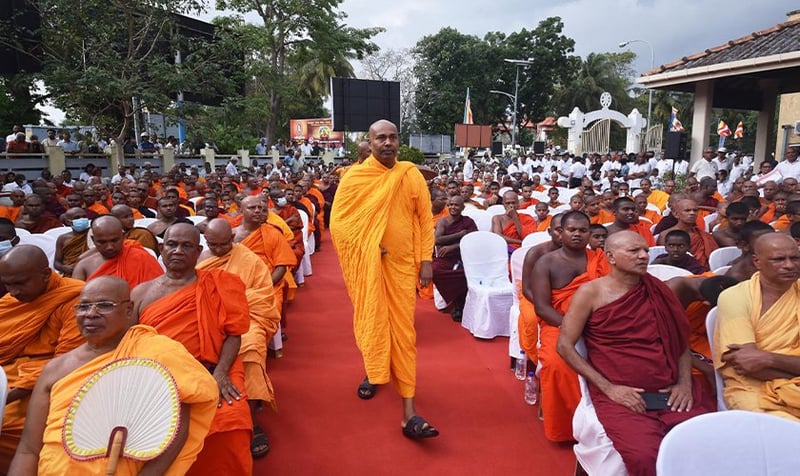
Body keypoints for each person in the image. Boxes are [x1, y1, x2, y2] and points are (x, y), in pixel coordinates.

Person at [8, 276, 218, 475]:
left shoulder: (156, 353)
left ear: (128, 310)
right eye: (83, 306)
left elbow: (178, 426)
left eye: (105, 305)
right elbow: (29, 449)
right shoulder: (56, 368)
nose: (91, 313)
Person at [557, 231, 715, 475]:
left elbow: (680, 341)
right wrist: (609, 388)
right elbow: (564, 346)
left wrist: (684, 383)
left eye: (645, 251)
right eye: (634, 251)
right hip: (620, 392)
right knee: (644, 456)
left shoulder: (659, 291)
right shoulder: (591, 293)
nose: (643, 256)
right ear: (610, 257)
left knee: (702, 442)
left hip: (671, 388)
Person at [329, 119, 438, 439]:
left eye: (392, 137)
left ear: (398, 141)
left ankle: (409, 413)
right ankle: (373, 370)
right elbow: (339, 225)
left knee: (404, 333)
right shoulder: (355, 178)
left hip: (404, 265)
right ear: (369, 142)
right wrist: (368, 246)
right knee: (372, 320)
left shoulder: (410, 174)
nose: (387, 143)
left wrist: (426, 260)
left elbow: (424, 218)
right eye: (381, 138)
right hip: (370, 266)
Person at [133, 223, 252, 474]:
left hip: (214, 368)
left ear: (198, 252)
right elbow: (129, 341)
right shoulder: (140, 293)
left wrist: (220, 373)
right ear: (162, 249)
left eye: (186, 246)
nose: (177, 251)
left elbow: (234, 334)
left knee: (232, 421)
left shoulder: (220, 283)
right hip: (157, 378)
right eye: (171, 245)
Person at [198, 219, 281, 459]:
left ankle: (252, 421)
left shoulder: (249, 260)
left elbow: (264, 295)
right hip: (210, 320)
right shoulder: (201, 259)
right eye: (214, 245)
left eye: (224, 245)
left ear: (232, 239)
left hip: (246, 318)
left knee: (251, 347)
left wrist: (231, 304)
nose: (219, 250)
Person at [0, 246, 85, 469]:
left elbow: (68, 361)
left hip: (46, 383)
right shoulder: (11, 302)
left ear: (46, 275)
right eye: (8, 284)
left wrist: (6, 397)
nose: (14, 291)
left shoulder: (76, 299)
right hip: (6, 377)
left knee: (10, 427)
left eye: (20, 283)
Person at [531, 211, 609, 442]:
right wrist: (573, 327)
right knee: (557, 364)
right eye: (571, 230)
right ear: (560, 233)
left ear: (589, 233)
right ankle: (570, 427)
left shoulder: (599, 259)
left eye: (583, 231)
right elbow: (542, 307)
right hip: (559, 324)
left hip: (598, 323)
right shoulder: (546, 263)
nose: (577, 235)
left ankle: (605, 419)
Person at [716, 233, 800, 420]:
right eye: (779, 259)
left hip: (791, 380)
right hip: (753, 387)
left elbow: (760, 362)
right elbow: (748, 365)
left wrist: (769, 359)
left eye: (795, 258)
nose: (789, 265)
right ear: (757, 262)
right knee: (784, 432)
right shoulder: (735, 297)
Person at [519, 214, 564, 362]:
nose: (563, 234)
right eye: (559, 230)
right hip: (533, 295)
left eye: (567, 230)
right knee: (532, 319)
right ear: (550, 232)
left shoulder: (579, 253)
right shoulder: (536, 253)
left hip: (563, 296)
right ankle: (536, 360)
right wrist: (546, 306)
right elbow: (526, 288)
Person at [72, 216, 162, 288]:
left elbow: (159, 290)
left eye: (114, 240)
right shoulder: (83, 265)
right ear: (93, 240)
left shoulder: (142, 257)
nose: (109, 247)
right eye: (102, 242)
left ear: (123, 237)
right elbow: (77, 301)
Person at [432, 196, 478, 322]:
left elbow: (474, 238)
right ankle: (456, 299)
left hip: (465, 256)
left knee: (468, 273)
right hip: (446, 258)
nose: (452, 207)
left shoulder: (468, 221)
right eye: (450, 204)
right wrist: (459, 234)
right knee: (434, 270)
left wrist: (454, 246)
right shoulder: (443, 222)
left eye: (456, 205)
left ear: (463, 207)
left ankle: (459, 304)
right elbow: (437, 240)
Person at [657, 199, 718, 270]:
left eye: (695, 210)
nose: (692, 213)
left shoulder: (703, 235)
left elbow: (713, 258)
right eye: (687, 210)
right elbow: (665, 259)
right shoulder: (665, 235)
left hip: (700, 271)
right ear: (676, 214)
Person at [53, 208, 91, 277]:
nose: (82, 219)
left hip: (90, 271)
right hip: (70, 274)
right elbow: (56, 263)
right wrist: (64, 268)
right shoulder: (63, 239)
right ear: (68, 222)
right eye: (77, 218)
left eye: (84, 217)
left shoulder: (93, 234)